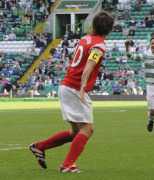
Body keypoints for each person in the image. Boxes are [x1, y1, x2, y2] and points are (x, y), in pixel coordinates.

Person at [29, 12, 114, 173]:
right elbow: (89, 65)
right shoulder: (100, 44)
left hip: (66, 85)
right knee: (88, 129)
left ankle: (39, 147)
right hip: (74, 87)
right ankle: (67, 165)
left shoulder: (85, 38)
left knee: (76, 131)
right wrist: (82, 87)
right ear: (108, 28)